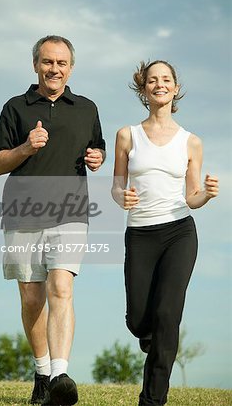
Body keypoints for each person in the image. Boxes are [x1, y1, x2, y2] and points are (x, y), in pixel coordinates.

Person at [0, 35, 105, 405]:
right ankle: (42, 372)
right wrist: (26, 146)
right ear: (36, 65)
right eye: (47, 62)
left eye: (61, 63)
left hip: (71, 211)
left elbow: (97, 146)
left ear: (71, 67)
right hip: (22, 211)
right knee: (31, 296)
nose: (54, 69)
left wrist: (97, 157)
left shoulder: (87, 108)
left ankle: (59, 373)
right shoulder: (15, 107)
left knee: (61, 288)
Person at [111, 60, 219, 406]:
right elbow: (116, 186)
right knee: (139, 319)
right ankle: (149, 336)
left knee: (168, 315)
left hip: (179, 233)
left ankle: (153, 398)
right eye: (152, 80)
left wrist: (207, 193)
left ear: (175, 88)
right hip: (140, 234)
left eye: (166, 79)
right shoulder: (127, 135)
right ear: (143, 89)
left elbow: (192, 196)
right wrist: (122, 197)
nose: (160, 84)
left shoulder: (192, 142)